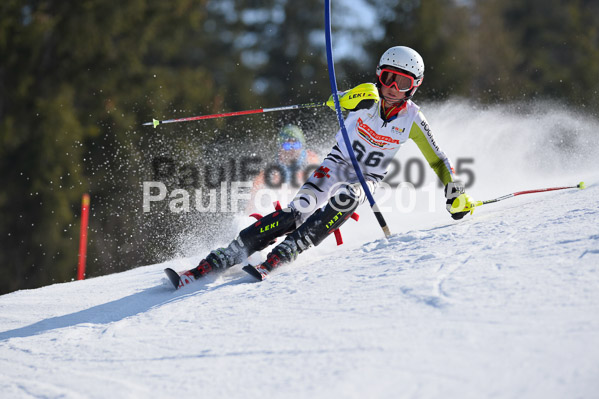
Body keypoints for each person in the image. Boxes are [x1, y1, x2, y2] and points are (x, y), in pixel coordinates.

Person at [188, 46, 475, 281]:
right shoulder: (369, 97)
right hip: (337, 162)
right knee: (296, 212)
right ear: (379, 75)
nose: (391, 88)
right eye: (387, 77)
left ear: (414, 86)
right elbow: (350, 101)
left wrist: (455, 191)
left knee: (347, 198)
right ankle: (232, 251)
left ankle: (293, 247)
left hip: (367, 177)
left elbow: (438, 160)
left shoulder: (413, 120)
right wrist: (341, 101)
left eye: (402, 83)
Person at [248, 124, 320, 213]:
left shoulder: (311, 160)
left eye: (296, 145)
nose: (292, 149)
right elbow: (251, 206)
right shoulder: (269, 172)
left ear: (302, 146)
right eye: (287, 145)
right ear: (280, 148)